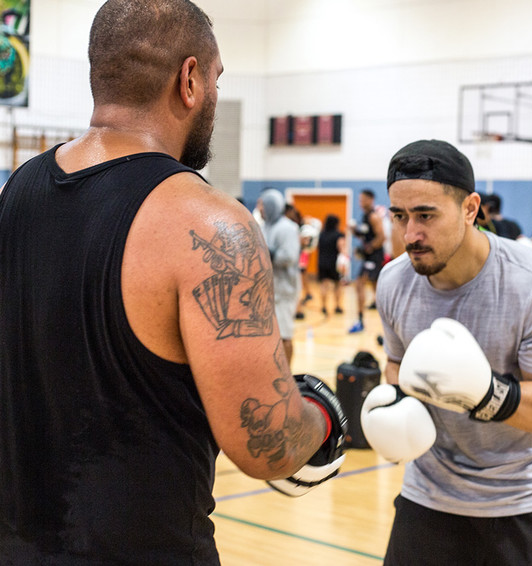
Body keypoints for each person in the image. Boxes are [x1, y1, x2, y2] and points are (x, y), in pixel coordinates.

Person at [0, 1, 345, 562]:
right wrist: (325, 415)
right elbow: (268, 444)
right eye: (215, 78)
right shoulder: (209, 222)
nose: (212, 91)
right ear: (189, 80)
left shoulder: (17, 191)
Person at [369, 139, 532, 565]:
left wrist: (485, 394)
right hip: (429, 498)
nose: (410, 234)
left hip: (527, 503)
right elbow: (396, 365)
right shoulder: (394, 281)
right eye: (400, 216)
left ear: (469, 209)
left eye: (426, 215)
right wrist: (395, 405)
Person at [257, 191, 302, 365]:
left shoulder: (287, 228)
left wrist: (265, 251)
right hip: (266, 291)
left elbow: (289, 256)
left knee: (284, 335)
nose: (259, 208)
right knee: (268, 336)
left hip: (284, 291)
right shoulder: (262, 226)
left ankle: (287, 375)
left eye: (262, 204)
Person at [349, 188, 386, 332]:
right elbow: (367, 236)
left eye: (363, 199)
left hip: (375, 257)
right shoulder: (364, 216)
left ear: (370, 200)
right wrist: (355, 232)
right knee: (377, 290)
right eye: (360, 199)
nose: (360, 202)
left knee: (359, 284)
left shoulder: (373, 216)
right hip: (369, 256)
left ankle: (360, 321)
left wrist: (367, 249)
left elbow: (381, 237)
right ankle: (365, 321)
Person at [317, 213, 347, 315]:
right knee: (338, 285)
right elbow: (342, 248)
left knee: (324, 285)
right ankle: (337, 306)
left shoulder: (321, 234)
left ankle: (324, 306)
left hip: (322, 262)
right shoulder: (339, 235)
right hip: (334, 264)